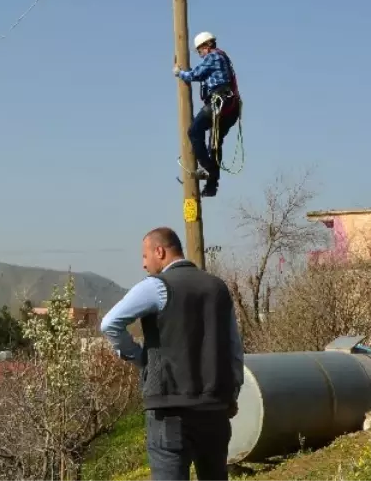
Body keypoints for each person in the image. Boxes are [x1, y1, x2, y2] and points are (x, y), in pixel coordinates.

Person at [100, 227, 244, 481]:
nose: (144, 265)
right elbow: (234, 349)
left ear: (160, 251)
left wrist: (138, 356)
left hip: (170, 411)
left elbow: (110, 323)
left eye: (145, 257)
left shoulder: (157, 287)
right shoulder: (218, 288)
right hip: (214, 410)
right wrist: (231, 395)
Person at [174, 31, 242, 197]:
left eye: (199, 50)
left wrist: (179, 73)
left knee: (194, 131)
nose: (200, 54)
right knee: (215, 144)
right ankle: (212, 186)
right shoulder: (223, 57)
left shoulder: (212, 57)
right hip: (230, 108)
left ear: (206, 46)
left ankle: (207, 168)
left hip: (220, 102)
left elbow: (195, 74)